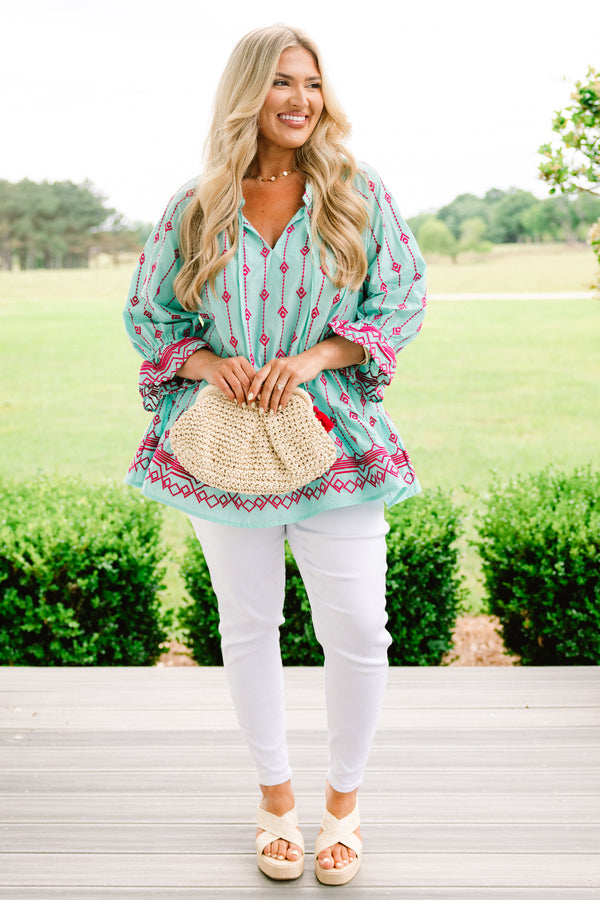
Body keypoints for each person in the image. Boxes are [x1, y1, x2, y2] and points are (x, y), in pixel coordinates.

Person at [123, 24, 426, 886]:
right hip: (222, 445)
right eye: (282, 83)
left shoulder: (356, 191)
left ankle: (344, 805)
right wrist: (209, 363)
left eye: (313, 84)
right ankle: (275, 800)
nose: (301, 100)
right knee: (249, 625)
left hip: (335, 442)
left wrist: (317, 356)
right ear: (248, 93)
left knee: (359, 629)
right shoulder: (197, 204)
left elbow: (402, 296)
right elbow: (151, 315)